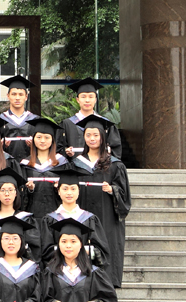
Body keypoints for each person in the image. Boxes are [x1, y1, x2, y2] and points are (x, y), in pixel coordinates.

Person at [72, 114, 130, 287]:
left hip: (107, 217)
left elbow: (125, 196)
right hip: (83, 214)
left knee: (107, 247)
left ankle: (107, 284)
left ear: (103, 137)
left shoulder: (115, 165)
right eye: (88, 135)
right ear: (84, 137)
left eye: (96, 135)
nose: (92, 138)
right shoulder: (76, 164)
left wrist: (113, 190)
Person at [38, 168, 112, 268]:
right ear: (58, 191)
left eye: (73, 189)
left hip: (84, 271)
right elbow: (45, 252)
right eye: (65, 189)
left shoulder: (89, 219)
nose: (69, 193)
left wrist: (83, 250)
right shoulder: (49, 220)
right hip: (58, 272)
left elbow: (102, 253)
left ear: (78, 191)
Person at [58, 78, 122, 160]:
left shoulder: (106, 124)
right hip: (74, 167)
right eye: (83, 97)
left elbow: (115, 151)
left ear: (95, 100)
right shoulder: (67, 124)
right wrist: (67, 152)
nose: (87, 100)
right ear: (77, 100)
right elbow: (58, 150)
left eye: (91, 97)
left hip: (100, 166)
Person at [22, 117, 68, 219]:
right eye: (39, 137)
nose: (42, 141)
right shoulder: (25, 164)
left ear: (52, 140)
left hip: (57, 214)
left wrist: (59, 188)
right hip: (33, 214)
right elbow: (20, 193)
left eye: (47, 137)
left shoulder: (61, 162)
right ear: (33, 139)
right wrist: (29, 189)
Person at [0, 75, 38, 163]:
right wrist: (0, 146)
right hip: (6, 164)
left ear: (26, 97)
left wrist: (34, 146)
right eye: (14, 94)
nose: (17, 98)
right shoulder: (0, 120)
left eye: (21, 94)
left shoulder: (34, 120)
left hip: (29, 165)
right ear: (8, 96)